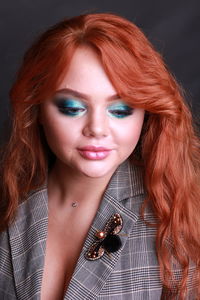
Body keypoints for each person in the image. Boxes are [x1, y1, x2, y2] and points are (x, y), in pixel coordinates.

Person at [0, 13, 199, 300]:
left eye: (120, 110)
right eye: (72, 107)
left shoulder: (180, 218)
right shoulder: (10, 201)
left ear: (147, 114)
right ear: (37, 108)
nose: (96, 128)